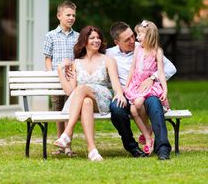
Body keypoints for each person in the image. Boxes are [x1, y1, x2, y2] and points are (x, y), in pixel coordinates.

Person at [54, 25, 126, 161]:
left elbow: (115, 83)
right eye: (92, 37)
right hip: (82, 100)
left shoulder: (108, 60)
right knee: (86, 101)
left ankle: (67, 132)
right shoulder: (76, 63)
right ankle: (92, 150)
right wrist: (60, 70)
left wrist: (120, 93)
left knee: (81, 89)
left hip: (102, 98)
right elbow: (70, 91)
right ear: (84, 41)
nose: (96, 40)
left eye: (98, 37)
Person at [107, 21, 177, 160]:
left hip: (147, 90)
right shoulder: (109, 54)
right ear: (116, 42)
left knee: (155, 104)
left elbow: (170, 68)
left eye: (133, 36)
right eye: (127, 39)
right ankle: (133, 147)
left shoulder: (145, 46)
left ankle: (163, 148)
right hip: (126, 92)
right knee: (116, 108)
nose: (133, 40)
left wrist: (152, 77)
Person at [124, 20, 169, 155]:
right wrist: (126, 86)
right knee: (133, 108)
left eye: (140, 34)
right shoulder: (138, 49)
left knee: (137, 103)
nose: (137, 38)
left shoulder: (157, 51)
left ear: (149, 35)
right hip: (137, 83)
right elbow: (132, 68)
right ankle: (148, 136)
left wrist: (165, 90)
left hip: (149, 85)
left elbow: (161, 71)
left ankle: (148, 131)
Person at [43, 0, 79, 156]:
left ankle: (68, 145)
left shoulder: (77, 36)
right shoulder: (50, 36)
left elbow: (79, 57)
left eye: (73, 15)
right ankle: (60, 143)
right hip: (57, 80)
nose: (71, 18)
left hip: (71, 80)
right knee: (58, 111)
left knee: (70, 111)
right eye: (68, 15)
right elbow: (47, 58)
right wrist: (51, 73)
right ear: (59, 16)